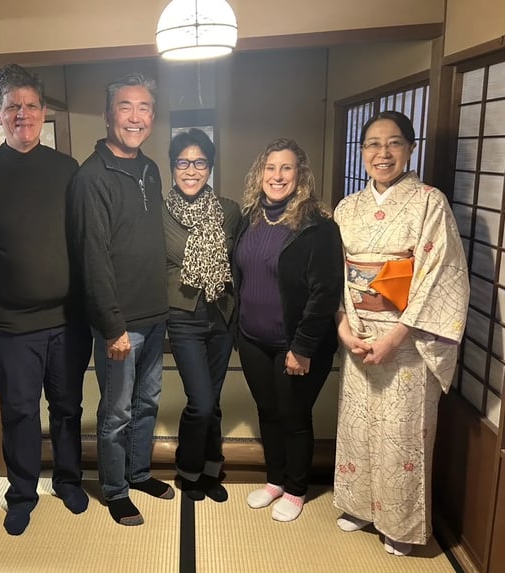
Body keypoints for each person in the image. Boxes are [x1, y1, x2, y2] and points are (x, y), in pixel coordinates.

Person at [0, 64, 92, 536]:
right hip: (11, 325)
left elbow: (84, 242)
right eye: (13, 106)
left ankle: (69, 480)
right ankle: (21, 492)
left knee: (68, 406)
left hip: (68, 320)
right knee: (18, 412)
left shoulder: (67, 169)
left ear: (43, 111)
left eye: (31, 105)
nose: (23, 114)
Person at [333, 111, 469, 556]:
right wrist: (342, 327)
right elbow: (335, 275)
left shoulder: (430, 202)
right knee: (356, 425)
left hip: (405, 339)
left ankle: (401, 524)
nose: (382, 153)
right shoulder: (347, 208)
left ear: (411, 148)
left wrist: (397, 336)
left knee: (402, 431)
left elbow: (438, 276)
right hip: (357, 333)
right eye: (372, 144)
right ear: (363, 151)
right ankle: (357, 505)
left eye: (393, 143)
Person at [67, 73, 172, 526]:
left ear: (152, 115)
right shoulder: (92, 177)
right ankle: (114, 489)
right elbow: (92, 257)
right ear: (109, 116)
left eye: (144, 107)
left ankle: (140, 471)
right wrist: (111, 326)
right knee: (116, 411)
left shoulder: (150, 168)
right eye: (126, 107)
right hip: (120, 322)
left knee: (148, 403)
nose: (135, 116)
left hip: (155, 312)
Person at [234, 138, 343, 522]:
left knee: (295, 415)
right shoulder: (251, 216)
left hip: (294, 342)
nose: (277, 176)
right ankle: (275, 479)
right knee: (267, 411)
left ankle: (296, 488)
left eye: (286, 168)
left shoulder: (317, 224)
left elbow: (326, 291)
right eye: (270, 168)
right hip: (251, 337)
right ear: (260, 173)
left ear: (300, 175)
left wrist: (303, 346)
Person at [163, 128, 241, 502]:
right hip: (183, 317)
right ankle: (188, 469)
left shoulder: (228, 211)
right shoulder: (161, 214)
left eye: (199, 163)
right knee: (201, 401)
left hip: (221, 315)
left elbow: (237, 265)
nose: (191, 170)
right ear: (172, 167)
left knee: (215, 397)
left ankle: (213, 467)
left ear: (210, 167)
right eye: (183, 162)